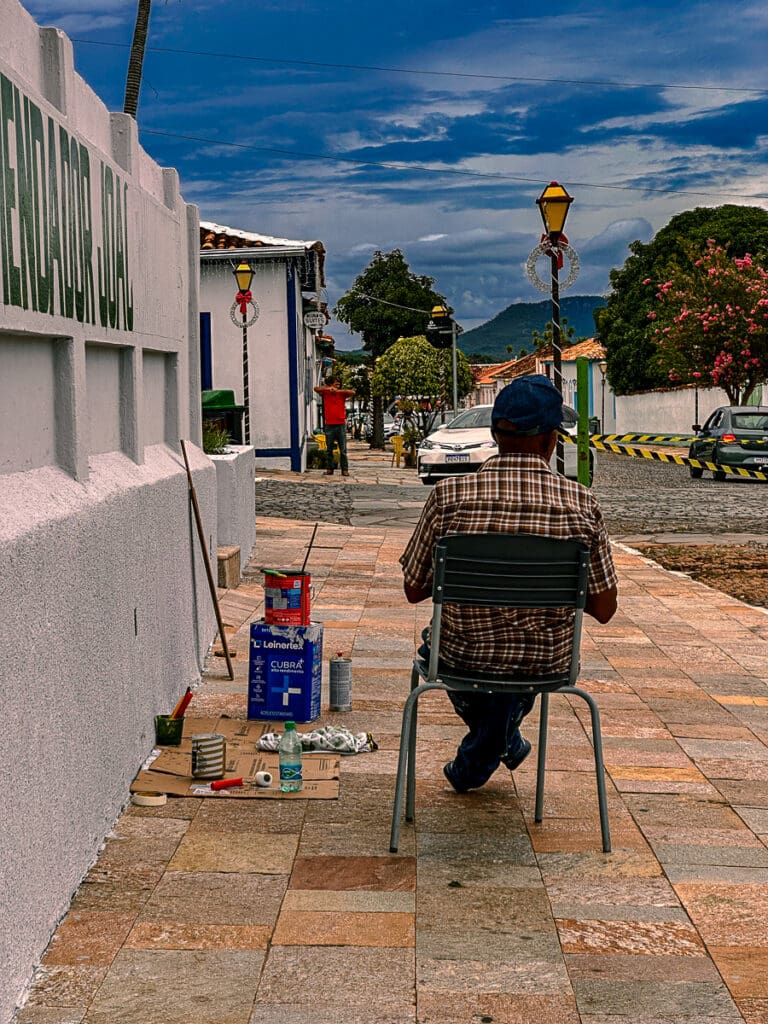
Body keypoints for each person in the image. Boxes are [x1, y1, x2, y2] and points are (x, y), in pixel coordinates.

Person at [399, 374, 618, 794]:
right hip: (547, 662)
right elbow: (605, 609)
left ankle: (491, 745)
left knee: (436, 644)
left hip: (463, 657)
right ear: (550, 440)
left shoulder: (448, 497)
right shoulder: (582, 504)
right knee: (516, 656)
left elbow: (414, 588)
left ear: (495, 434)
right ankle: (502, 739)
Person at [314, 377, 355, 476]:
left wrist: (338, 391)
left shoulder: (341, 394)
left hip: (340, 424)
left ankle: (344, 469)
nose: (338, 386)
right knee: (329, 449)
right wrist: (328, 389)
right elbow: (316, 389)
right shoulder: (326, 393)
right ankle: (330, 468)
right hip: (329, 424)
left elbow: (352, 392)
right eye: (336, 384)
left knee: (343, 449)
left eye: (338, 384)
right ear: (330, 384)